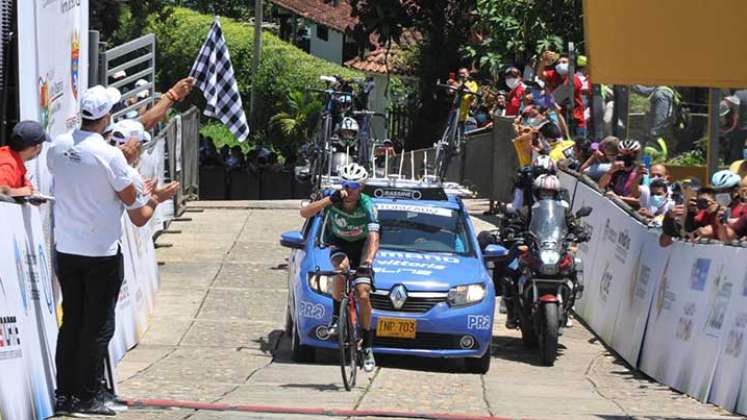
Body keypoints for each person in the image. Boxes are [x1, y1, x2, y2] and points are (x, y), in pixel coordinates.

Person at [47, 85, 178, 417]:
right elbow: (136, 209)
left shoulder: (57, 147)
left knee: (73, 323)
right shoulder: (111, 156)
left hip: (67, 249)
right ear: (106, 118)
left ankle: (66, 395)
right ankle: (89, 396)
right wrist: (132, 166)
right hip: (100, 252)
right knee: (99, 326)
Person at [299, 163, 379, 372]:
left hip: (362, 246)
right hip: (340, 242)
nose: (349, 189)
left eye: (354, 185)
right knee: (340, 268)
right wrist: (329, 199)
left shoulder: (367, 204)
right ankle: (336, 319)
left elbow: (374, 237)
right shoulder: (333, 199)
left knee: (362, 293)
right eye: (345, 184)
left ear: (361, 187)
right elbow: (304, 213)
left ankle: (368, 346)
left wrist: (368, 262)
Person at [537, 51, 586, 138]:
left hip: (576, 122)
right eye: (559, 62)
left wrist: (544, 104)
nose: (561, 64)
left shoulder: (574, 80)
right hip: (558, 121)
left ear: (570, 65)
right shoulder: (554, 75)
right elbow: (540, 75)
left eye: (564, 62)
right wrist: (543, 62)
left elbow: (556, 97)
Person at [0, 120, 50, 196]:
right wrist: (23, 192)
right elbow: (1, 190)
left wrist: (32, 192)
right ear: (37, 147)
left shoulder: (12, 158)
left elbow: (28, 187)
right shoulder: (8, 164)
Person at [599, 139, 644, 207]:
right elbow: (600, 186)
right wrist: (611, 171)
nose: (625, 156)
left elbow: (639, 200)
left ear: (635, 154)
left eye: (629, 154)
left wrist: (618, 198)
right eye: (622, 153)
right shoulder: (616, 169)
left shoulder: (640, 172)